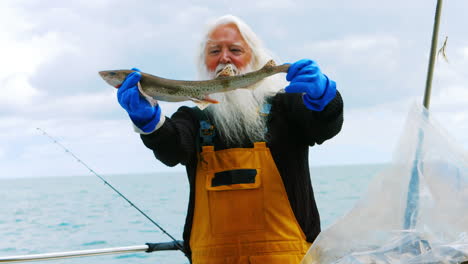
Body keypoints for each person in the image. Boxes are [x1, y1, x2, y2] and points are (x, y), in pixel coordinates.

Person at [116, 15, 343, 264]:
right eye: (214, 50)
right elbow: (172, 150)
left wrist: (324, 98)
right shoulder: (192, 117)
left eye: (235, 49)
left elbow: (324, 126)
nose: (224, 57)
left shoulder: (286, 107)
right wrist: (150, 123)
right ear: (204, 62)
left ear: (254, 58)